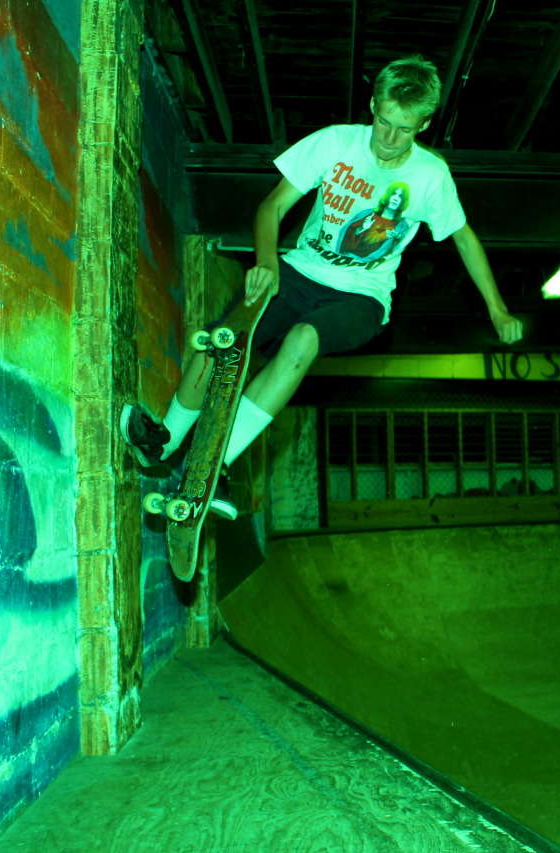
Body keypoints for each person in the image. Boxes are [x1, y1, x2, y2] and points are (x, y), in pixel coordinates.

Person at [121, 55, 523, 520]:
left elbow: (465, 240)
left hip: (361, 297)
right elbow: (270, 208)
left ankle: (214, 467)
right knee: (223, 340)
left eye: (405, 130)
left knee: (303, 340)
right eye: (383, 122)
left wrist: (497, 308)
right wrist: (268, 264)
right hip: (297, 271)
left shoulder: (431, 177)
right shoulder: (335, 142)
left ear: (425, 124)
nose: (389, 141)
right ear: (373, 104)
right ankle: (162, 441)